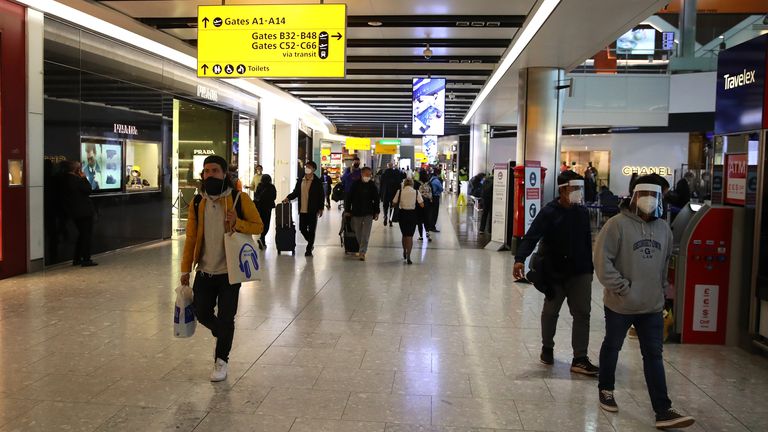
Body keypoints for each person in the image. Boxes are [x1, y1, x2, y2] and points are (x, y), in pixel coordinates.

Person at [594, 175, 695, 429]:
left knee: (654, 356)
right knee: (612, 346)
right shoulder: (616, 225)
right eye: (645, 196)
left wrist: (661, 294)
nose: (650, 202)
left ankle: (663, 409)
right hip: (620, 304)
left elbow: (664, 265)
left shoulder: (663, 229)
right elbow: (602, 262)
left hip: (651, 307)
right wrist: (622, 288)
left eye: (655, 197)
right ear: (635, 197)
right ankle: (606, 388)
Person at [180, 155, 263, 382]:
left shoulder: (239, 198)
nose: (209, 175)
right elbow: (190, 238)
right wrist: (185, 269)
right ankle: (221, 333)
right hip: (205, 271)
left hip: (230, 272)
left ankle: (221, 360)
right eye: (206, 171)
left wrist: (238, 222)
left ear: (225, 174)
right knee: (201, 311)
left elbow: (259, 225)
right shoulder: (198, 202)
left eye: (215, 171)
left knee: (227, 317)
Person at [513, 170, 599, 376]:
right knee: (551, 312)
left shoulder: (582, 212)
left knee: (582, 313)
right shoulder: (549, 212)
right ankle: (547, 348)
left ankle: (580, 358)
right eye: (574, 188)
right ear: (562, 190)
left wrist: (589, 269)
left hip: (580, 271)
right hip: (554, 271)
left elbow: (587, 242)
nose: (578, 192)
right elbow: (532, 235)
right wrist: (519, 259)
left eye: (580, 188)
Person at [283, 161, 325, 256]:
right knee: (302, 228)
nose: (306, 168)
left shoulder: (317, 181)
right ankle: (310, 241)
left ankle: (309, 248)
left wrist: (321, 208)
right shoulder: (300, 180)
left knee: (311, 230)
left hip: (312, 209)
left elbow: (321, 196)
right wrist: (288, 197)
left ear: (313, 169)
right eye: (306, 166)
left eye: (309, 167)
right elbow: (296, 192)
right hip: (302, 209)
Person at [62, 160, 98, 267]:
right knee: (86, 235)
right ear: (77, 170)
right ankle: (86, 259)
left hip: (75, 212)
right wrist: (84, 178)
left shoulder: (64, 179)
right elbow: (88, 190)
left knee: (82, 235)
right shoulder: (77, 180)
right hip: (84, 212)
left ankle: (77, 258)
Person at [344, 167, 380, 260]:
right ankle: (361, 248)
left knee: (366, 234)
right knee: (358, 232)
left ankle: (362, 252)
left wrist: (377, 212)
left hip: (369, 212)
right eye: (366, 174)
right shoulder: (355, 185)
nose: (368, 176)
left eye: (369, 175)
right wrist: (347, 210)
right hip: (356, 212)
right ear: (362, 174)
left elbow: (376, 199)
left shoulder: (372, 185)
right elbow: (349, 198)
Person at [392, 178, 424, 265]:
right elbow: (422, 204)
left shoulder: (400, 191)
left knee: (404, 234)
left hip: (402, 214)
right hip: (412, 215)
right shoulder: (416, 192)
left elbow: (394, 203)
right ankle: (409, 255)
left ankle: (404, 251)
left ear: (404, 184)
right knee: (410, 236)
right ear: (412, 184)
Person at [254, 174, 277, 250]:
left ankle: (262, 240)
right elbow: (274, 197)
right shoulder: (271, 187)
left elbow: (256, 195)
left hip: (259, 207)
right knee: (266, 223)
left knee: (261, 222)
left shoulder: (259, 186)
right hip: (268, 208)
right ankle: (262, 238)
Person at [416, 172, 434, 241]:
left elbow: (416, 193)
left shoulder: (417, 184)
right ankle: (427, 232)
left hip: (420, 203)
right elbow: (431, 193)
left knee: (419, 220)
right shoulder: (429, 184)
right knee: (427, 218)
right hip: (427, 203)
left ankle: (421, 236)